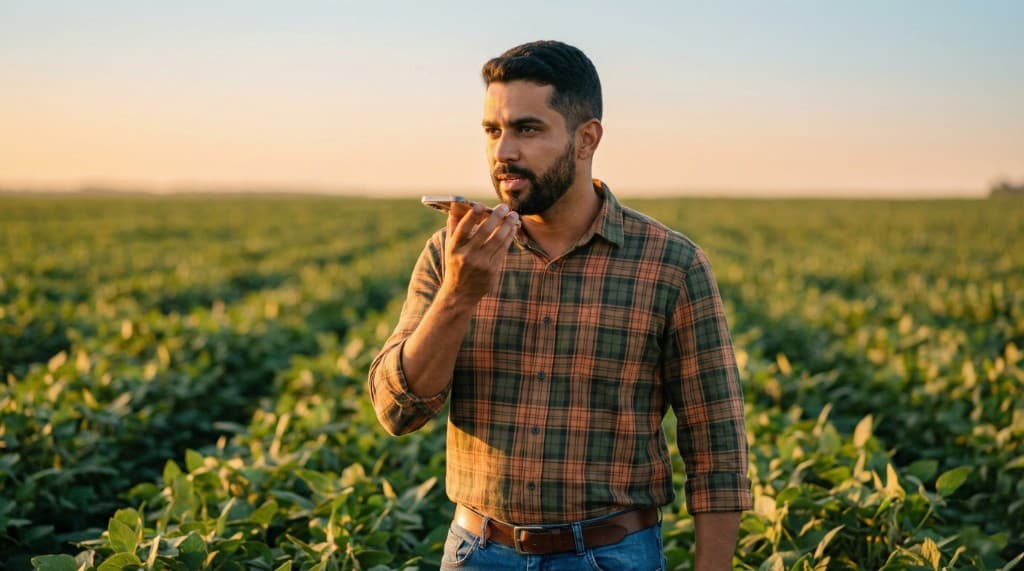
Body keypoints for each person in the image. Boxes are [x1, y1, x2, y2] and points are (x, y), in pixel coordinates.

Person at [368, 40, 751, 570]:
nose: (504, 152)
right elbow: (397, 411)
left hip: (611, 555)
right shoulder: (453, 253)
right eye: (492, 131)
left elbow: (717, 446)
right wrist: (459, 293)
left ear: (586, 138)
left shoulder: (671, 264)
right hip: (477, 551)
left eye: (527, 130)